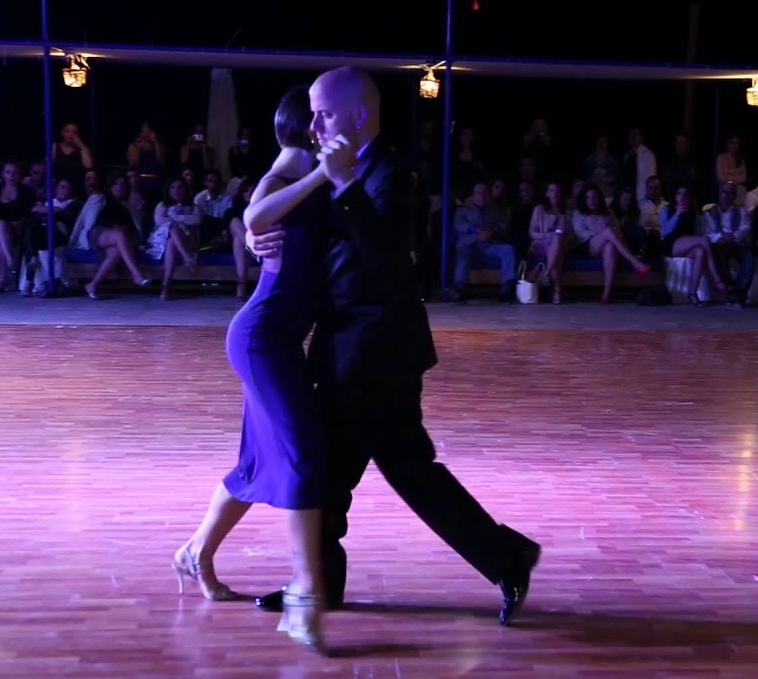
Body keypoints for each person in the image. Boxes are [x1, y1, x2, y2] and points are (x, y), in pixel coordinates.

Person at [249, 67, 541, 626]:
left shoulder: (392, 174)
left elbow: (385, 255)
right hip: (350, 346)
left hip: (379, 350)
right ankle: (501, 556)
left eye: (324, 114)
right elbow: (269, 210)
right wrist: (252, 231)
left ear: (358, 115)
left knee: (350, 472)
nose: (312, 125)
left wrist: (342, 185)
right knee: (384, 471)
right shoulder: (336, 168)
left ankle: (319, 584)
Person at [173, 85, 331, 652]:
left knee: (255, 462)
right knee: (302, 457)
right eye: (324, 120)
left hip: (279, 341)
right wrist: (317, 178)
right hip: (261, 338)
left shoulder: (312, 183)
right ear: (308, 128)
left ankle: (195, 553)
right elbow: (254, 211)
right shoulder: (283, 180)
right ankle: (305, 594)